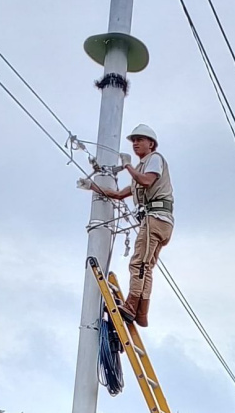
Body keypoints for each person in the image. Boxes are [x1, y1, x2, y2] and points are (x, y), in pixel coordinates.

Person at [77, 124, 174, 327]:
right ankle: (141, 314)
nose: (136, 143)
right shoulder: (142, 169)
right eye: (134, 141)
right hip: (160, 221)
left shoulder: (154, 159)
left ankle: (131, 307)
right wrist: (92, 186)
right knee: (145, 266)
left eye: (140, 140)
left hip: (155, 218)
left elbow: (146, 181)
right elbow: (119, 194)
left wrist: (128, 166)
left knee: (138, 264)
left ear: (151, 144)